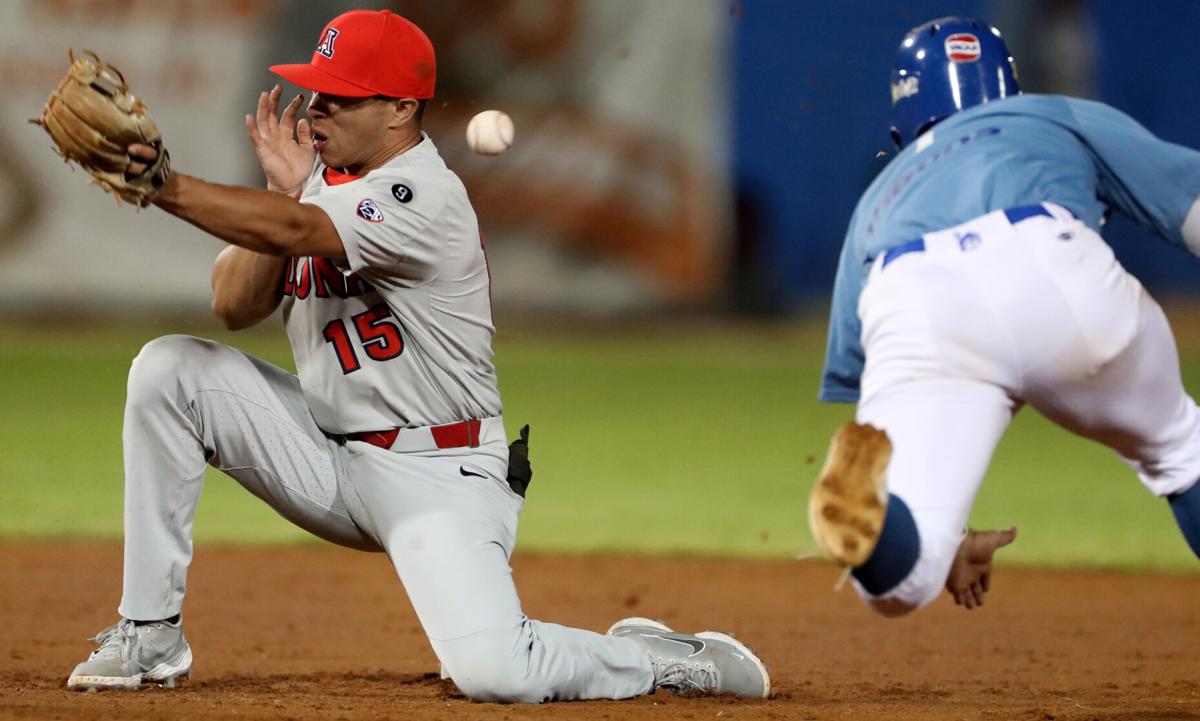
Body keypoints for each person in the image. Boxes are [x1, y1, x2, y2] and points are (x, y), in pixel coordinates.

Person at [65, 9, 770, 702]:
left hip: (438, 473)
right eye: (315, 87)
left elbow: (299, 227)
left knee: (498, 672)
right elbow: (233, 304)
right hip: (327, 455)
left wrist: (169, 186)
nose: (317, 106)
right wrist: (289, 188)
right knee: (170, 368)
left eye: (340, 94)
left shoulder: (422, 195)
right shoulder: (319, 190)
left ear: (400, 107)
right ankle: (149, 631)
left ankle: (652, 658)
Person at [809, 16, 1200, 617]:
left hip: (907, 288)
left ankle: (886, 526)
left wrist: (949, 535)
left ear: (902, 127)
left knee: (898, 584)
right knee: (1180, 449)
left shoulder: (877, 199)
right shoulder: (1047, 115)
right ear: (1006, 91)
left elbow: (871, 382)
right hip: (1046, 259)